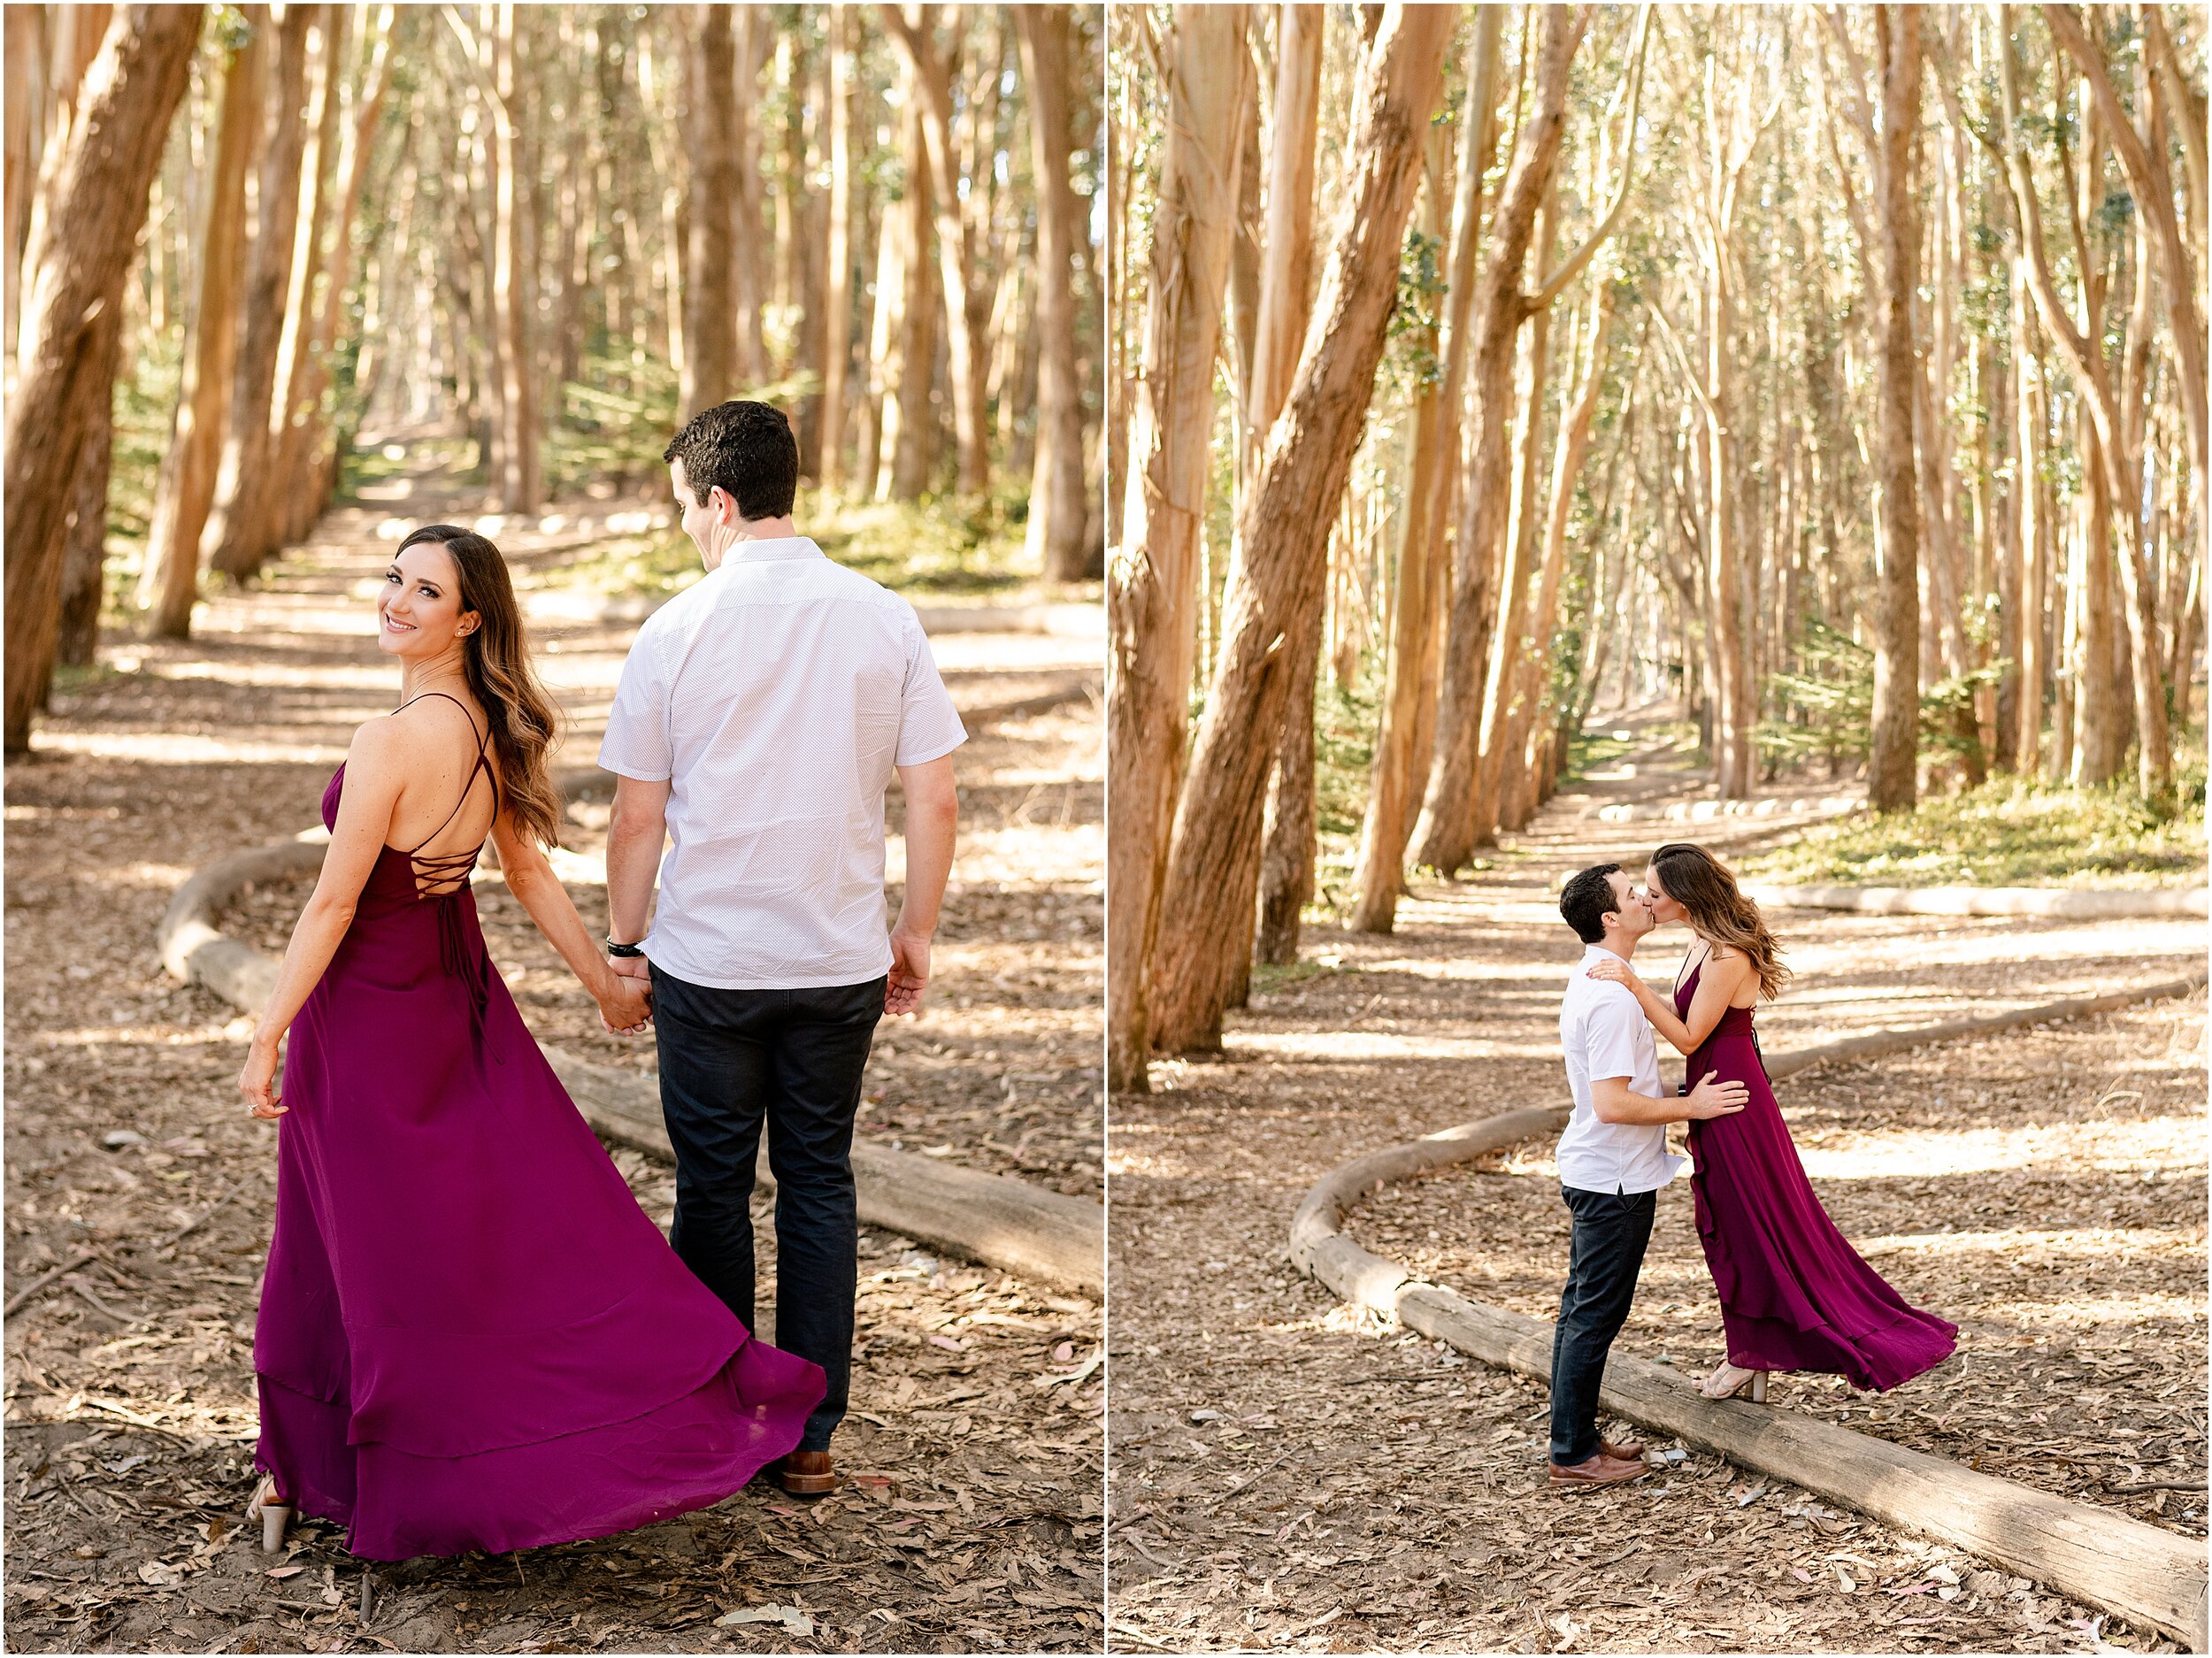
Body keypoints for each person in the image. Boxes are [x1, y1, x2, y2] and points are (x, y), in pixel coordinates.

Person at [238, 524, 823, 1561]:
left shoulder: (389, 738)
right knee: (452, 1234)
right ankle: (321, 1461)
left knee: (341, 1241)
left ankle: (317, 1468)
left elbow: (332, 904)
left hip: (372, 1011)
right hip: (446, 997)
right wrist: (601, 978)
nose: (396, 600)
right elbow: (527, 872)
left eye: (424, 590)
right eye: (394, 579)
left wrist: (266, 1030)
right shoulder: (486, 727)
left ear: (468, 617)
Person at [599, 400, 964, 1498]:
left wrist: (625, 948)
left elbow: (634, 817)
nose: (687, 533)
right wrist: (916, 931)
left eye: (684, 512)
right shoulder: (883, 615)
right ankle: (809, 1433)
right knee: (817, 1182)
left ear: (718, 501)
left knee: (711, 1188)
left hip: (709, 961)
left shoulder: (676, 628)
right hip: (838, 956)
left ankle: (718, 1419)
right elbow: (934, 793)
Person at [1587, 841, 1957, 1402]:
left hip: (1732, 1097)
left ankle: (1753, 1356)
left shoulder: (1727, 955)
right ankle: (1749, 1354)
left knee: (1752, 1227)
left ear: (1685, 898)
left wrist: (1633, 986)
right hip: (1712, 1089)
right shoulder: (1700, 941)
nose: (1647, 899)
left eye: (1656, 893)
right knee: (1736, 1230)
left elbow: (1689, 1035)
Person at [1551, 863, 1750, 1490]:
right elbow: (1613, 1104)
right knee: (1593, 1317)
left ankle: (1576, 1437)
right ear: (1611, 918)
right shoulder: (1611, 996)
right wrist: (1690, 1106)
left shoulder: (1603, 977)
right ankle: (1573, 1456)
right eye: (1630, 893)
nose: (1644, 896)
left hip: (1606, 1170)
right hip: (1614, 1180)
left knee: (1580, 1312)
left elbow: (1622, 1087)